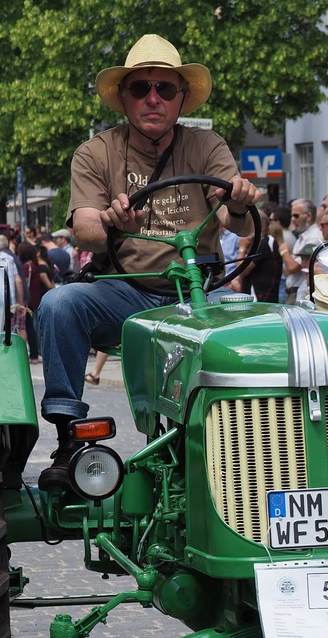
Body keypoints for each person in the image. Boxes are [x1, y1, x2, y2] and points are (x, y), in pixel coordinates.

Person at [35, 34, 262, 488]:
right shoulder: (96, 152)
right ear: (124, 98)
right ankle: (68, 436)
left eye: (165, 88)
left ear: (181, 98)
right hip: (127, 293)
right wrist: (111, 223)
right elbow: (85, 230)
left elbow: (236, 223)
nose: (153, 98)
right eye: (141, 88)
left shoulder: (207, 145)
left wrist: (238, 202)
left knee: (270, 335)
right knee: (59, 304)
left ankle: (255, 449)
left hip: (199, 295)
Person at [279, 198, 318, 303]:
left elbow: (293, 267)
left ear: (308, 216)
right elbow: (286, 271)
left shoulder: (314, 238)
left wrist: (284, 252)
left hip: (301, 293)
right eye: (292, 216)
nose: (292, 219)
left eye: (296, 216)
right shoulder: (302, 236)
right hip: (293, 292)